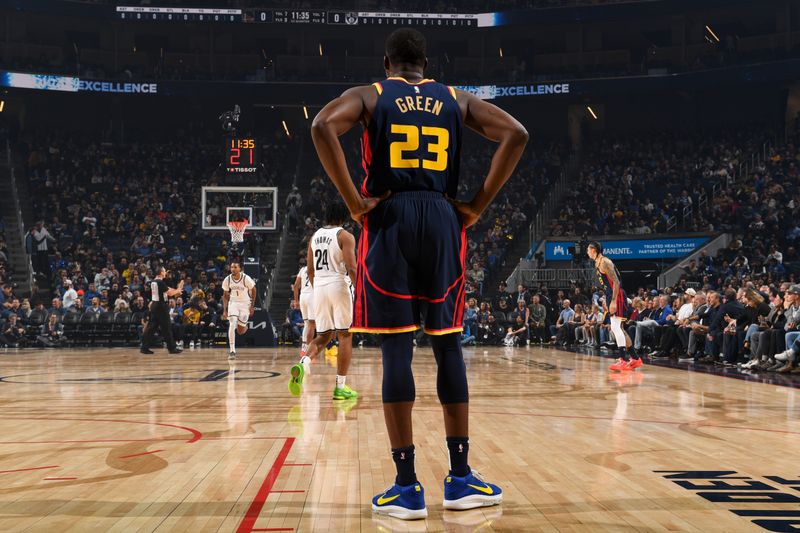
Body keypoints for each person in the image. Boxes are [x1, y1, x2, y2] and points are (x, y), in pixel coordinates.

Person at [310, 28, 527, 519]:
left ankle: (406, 486)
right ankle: (461, 478)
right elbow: (517, 133)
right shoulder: (456, 98)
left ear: (387, 62)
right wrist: (475, 206)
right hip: (443, 219)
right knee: (448, 345)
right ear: (425, 64)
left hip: (388, 220)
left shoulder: (371, 95)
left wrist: (352, 202)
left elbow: (322, 126)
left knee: (396, 350)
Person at [288, 202, 358, 401]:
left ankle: (303, 363)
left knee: (323, 336)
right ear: (344, 217)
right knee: (345, 335)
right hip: (339, 285)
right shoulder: (345, 236)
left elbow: (309, 270)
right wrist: (361, 291)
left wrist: (320, 286)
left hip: (318, 287)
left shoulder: (314, 236)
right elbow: (352, 269)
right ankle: (340, 387)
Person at [587, 242, 642, 371]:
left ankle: (623, 359)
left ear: (594, 250)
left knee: (615, 327)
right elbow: (608, 284)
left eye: (588, 250)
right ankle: (635, 358)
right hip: (611, 294)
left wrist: (613, 300)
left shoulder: (605, 262)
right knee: (619, 329)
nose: (587, 252)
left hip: (616, 295)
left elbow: (616, 282)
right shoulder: (598, 262)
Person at [140, 266, 183, 355]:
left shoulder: (154, 281)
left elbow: (168, 289)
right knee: (167, 328)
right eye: (164, 271)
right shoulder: (160, 282)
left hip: (155, 306)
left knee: (151, 328)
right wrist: (178, 290)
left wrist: (176, 290)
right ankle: (172, 348)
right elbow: (170, 293)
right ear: (161, 272)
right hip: (161, 307)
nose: (165, 272)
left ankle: (144, 347)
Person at [221, 261, 256, 360]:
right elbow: (225, 295)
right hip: (233, 303)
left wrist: (252, 306)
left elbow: (254, 290)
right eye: (232, 267)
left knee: (240, 331)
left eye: (235, 267)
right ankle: (232, 351)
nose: (233, 269)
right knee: (232, 324)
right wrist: (225, 310)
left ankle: (245, 326)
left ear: (240, 269)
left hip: (245, 304)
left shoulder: (246, 278)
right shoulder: (227, 279)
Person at [293, 263, 315, 358]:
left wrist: (296, 301)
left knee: (307, 324)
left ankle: (303, 348)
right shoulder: (317, 268)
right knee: (311, 325)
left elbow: (295, 286)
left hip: (303, 297)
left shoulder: (303, 269)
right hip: (312, 296)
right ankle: (309, 351)